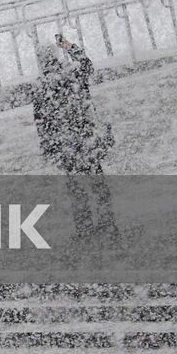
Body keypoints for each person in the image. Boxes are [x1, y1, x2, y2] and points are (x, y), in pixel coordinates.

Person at [31, 33, 117, 244]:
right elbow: (87, 64)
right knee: (97, 182)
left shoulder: (41, 86)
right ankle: (107, 223)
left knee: (76, 188)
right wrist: (69, 46)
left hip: (66, 143)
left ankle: (85, 228)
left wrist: (49, 146)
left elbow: (42, 121)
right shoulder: (73, 72)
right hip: (86, 137)